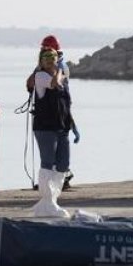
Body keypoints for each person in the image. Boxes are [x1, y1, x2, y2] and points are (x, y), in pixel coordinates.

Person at [30, 48, 75, 217]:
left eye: (53, 57)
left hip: (62, 126)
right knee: (47, 162)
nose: (50, 60)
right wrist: (60, 71)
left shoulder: (62, 75)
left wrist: (72, 125)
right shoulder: (40, 76)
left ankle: (51, 201)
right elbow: (54, 83)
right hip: (45, 127)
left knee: (63, 164)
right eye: (46, 57)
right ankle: (47, 200)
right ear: (40, 61)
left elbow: (66, 103)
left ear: (58, 59)